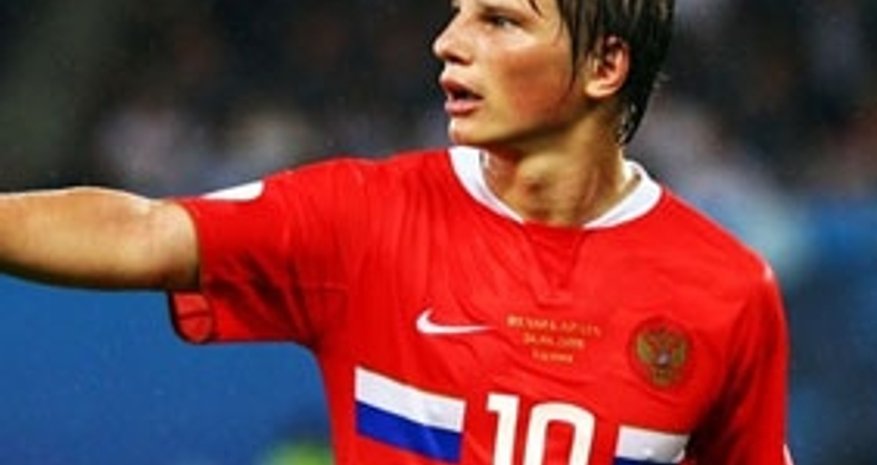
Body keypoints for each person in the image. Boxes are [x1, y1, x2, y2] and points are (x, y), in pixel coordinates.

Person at [0, 0, 794, 464]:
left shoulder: (727, 290)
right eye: (458, 13)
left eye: (499, 20)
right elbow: (143, 232)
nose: (449, 42)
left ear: (605, 66)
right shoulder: (365, 219)